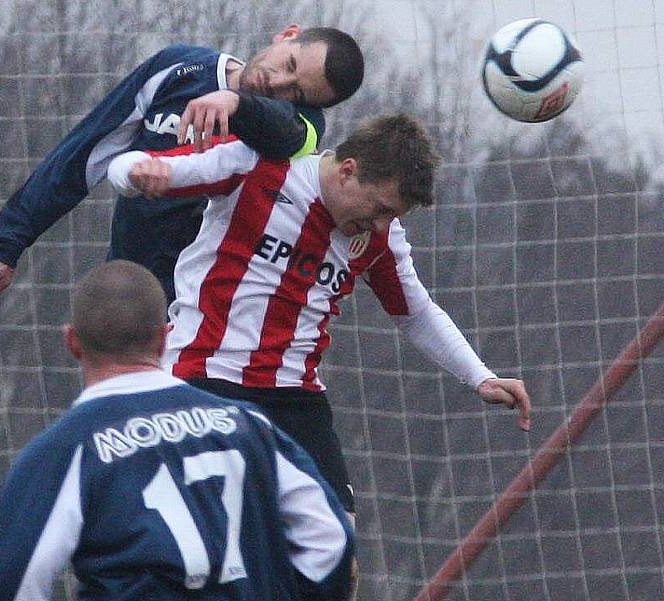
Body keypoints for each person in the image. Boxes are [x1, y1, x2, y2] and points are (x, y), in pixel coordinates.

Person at [106, 113, 533, 518]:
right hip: (203, 374)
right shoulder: (258, 167)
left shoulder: (381, 238)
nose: (380, 223)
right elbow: (129, 165)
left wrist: (480, 376)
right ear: (347, 170)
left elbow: (415, 312)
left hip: (294, 396)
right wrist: (137, 175)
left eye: (393, 216)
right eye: (381, 208)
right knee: (204, 529)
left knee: (337, 544)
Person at [0, 260, 355, 601]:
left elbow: (7, 582)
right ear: (165, 337)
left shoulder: (67, 449)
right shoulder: (248, 425)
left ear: (73, 342)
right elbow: (331, 540)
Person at [0, 25, 364, 309]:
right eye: (289, 65)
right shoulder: (178, 69)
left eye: (297, 91)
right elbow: (85, 153)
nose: (278, 83)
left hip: (212, 316)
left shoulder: (302, 127)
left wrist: (236, 104)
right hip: (129, 296)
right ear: (287, 35)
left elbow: (285, 134)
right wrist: (5, 244)